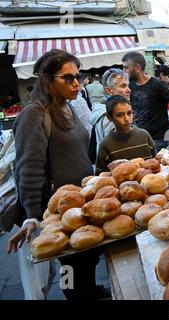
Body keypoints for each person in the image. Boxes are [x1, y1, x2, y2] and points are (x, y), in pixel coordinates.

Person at [7, 49, 109, 300]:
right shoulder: (34, 114)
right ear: (47, 80)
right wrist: (33, 216)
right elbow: (28, 168)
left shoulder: (68, 107)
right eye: (68, 78)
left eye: (78, 76)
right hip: (55, 210)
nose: (76, 83)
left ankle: (90, 289)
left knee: (86, 255)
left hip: (79, 202)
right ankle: (76, 296)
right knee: (69, 266)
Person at [122, 52, 169, 150]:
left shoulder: (158, 85)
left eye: (126, 67)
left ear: (137, 68)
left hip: (162, 142)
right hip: (141, 142)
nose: (124, 71)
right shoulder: (130, 87)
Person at [95, 95, 156, 174]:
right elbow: (101, 175)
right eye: (120, 115)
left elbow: (156, 163)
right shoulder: (105, 145)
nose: (127, 119)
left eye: (129, 113)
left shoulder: (144, 135)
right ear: (109, 117)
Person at [89, 68, 130, 155]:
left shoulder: (107, 110)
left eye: (128, 85)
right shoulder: (111, 116)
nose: (128, 90)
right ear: (109, 90)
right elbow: (117, 150)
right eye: (123, 86)